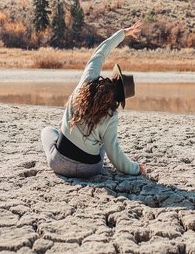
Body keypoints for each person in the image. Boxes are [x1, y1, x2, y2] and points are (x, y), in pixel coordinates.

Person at [41, 21, 146, 178]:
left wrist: (124, 32)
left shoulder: (86, 84)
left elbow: (100, 53)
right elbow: (115, 154)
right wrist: (136, 168)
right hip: (89, 169)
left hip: (59, 164)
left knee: (48, 131)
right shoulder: (111, 116)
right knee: (104, 143)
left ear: (112, 79)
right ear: (119, 99)